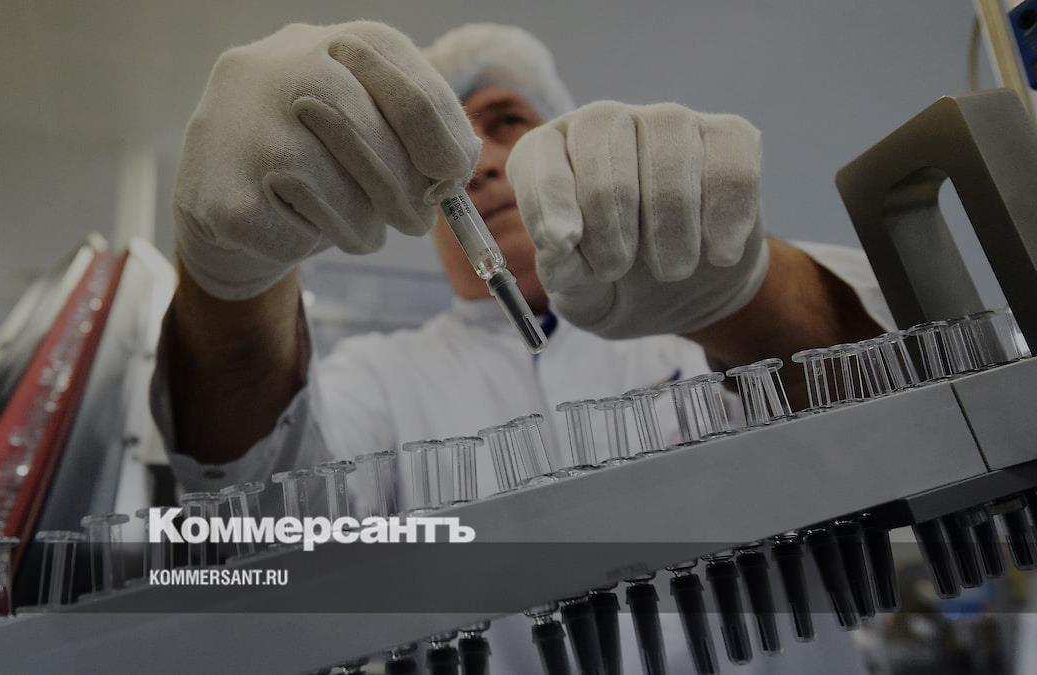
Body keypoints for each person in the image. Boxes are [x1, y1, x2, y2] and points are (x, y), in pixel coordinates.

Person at [152, 20, 887, 673]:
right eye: (444, 152)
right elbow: (256, 528)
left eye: (507, 122)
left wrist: (746, 296)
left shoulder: (697, 330)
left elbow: (886, 410)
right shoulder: (380, 380)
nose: (477, 165)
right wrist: (233, 282)